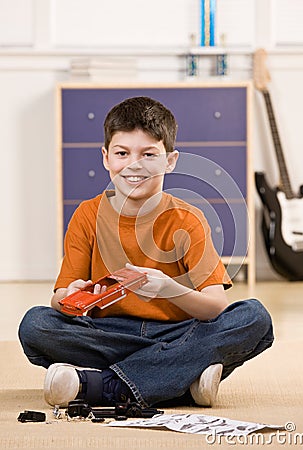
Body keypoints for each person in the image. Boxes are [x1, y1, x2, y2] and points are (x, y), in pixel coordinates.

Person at [18, 96, 274, 409]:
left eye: (149, 154)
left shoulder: (189, 218)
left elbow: (215, 307)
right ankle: (180, 380)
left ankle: (101, 384)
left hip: (175, 332)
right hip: (109, 333)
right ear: (106, 157)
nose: (134, 165)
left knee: (254, 318)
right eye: (122, 153)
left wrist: (169, 289)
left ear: (170, 160)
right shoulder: (87, 215)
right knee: (36, 324)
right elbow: (58, 300)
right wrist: (73, 295)